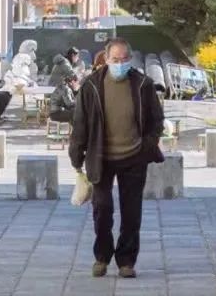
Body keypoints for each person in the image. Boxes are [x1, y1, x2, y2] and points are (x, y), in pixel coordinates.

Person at [69, 37, 165, 279]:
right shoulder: (91, 86)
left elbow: (157, 120)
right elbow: (80, 123)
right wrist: (76, 155)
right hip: (101, 156)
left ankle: (126, 261)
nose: (120, 63)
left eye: (124, 59)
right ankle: (101, 257)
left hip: (134, 157)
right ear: (106, 58)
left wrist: (149, 144)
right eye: (115, 59)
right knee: (102, 209)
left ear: (129, 59)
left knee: (131, 212)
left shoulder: (143, 84)